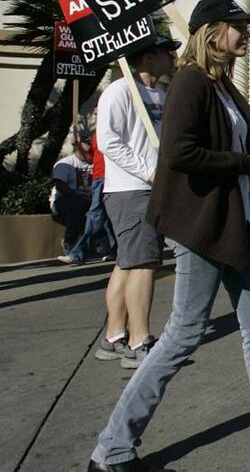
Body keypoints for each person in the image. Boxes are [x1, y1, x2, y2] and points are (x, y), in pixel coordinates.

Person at [88, 0, 250, 471]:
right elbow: (180, 153)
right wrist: (248, 162)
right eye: (238, 27)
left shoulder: (221, 85)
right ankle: (112, 448)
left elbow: (228, 151)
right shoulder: (189, 81)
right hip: (202, 227)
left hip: (234, 223)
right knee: (182, 335)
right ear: (211, 32)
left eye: (248, 27)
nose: (247, 34)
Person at [94, 35, 179, 369]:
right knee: (144, 263)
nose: (173, 57)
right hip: (130, 190)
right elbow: (107, 141)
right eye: (166, 52)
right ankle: (138, 341)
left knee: (128, 262)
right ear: (147, 57)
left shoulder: (159, 94)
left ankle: (114, 336)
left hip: (150, 188)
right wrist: (148, 172)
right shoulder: (119, 90)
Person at [60, 129, 118, 264]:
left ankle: (78, 254)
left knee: (95, 215)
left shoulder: (109, 130)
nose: (95, 111)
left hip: (106, 176)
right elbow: (90, 157)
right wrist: (77, 145)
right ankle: (116, 251)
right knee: (105, 217)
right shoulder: (96, 134)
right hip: (99, 176)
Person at [51, 134, 93, 263]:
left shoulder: (95, 163)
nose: (91, 147)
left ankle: (107, 246)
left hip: (89, 200)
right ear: (78, 146)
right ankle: (70, 242)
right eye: (87, 144)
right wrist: (78, 196)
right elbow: (60, 184)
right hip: (65, 200)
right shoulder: (65, 164)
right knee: (76, 206)